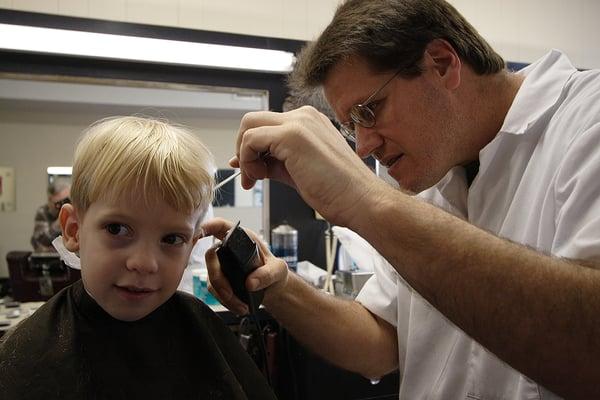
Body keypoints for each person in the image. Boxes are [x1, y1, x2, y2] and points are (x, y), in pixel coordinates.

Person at [203, 1, 600, 399]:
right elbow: (379, 342)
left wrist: (364, 199)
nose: (363, 146)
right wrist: (276, 286)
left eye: (369, 111)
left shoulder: (586, 122)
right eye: (351, 124)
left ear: (441, 64)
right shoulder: (429, 170)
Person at [0, 116, 275, 400]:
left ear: (192, 244)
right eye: (117, 229)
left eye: (171, 239)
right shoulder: (26, 355)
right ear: (73, 229)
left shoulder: (201, 329)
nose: (144, 263)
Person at [30, 176, 71, 252]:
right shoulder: (43, 212)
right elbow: (42, 240)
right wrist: (59, 223)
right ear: (50, 200)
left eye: (67, 201)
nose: (64, 205)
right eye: (59, 203)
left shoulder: (74, 211)